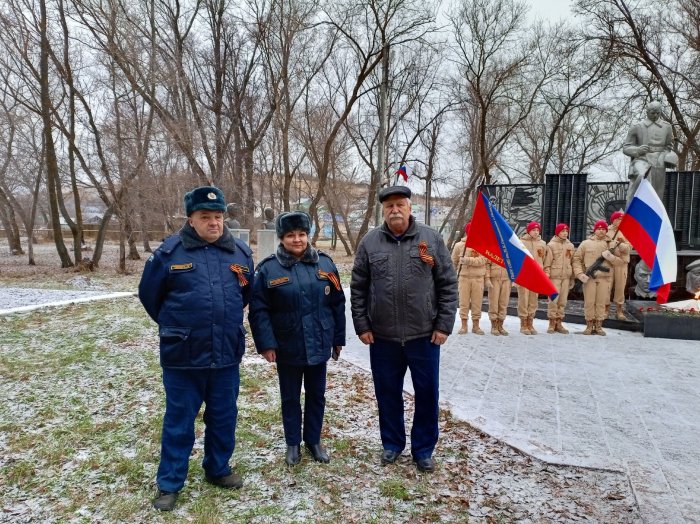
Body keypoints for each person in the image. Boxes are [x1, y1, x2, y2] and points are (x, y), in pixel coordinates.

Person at [139, 186, 254, 511]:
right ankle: (170, 483)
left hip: (225, 355)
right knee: (179, 420)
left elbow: (246, 293)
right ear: (191, 219)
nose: (214, 223)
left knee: (223, 417)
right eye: (206, 217)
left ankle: (217, 469)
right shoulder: (168, 254)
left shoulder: (240, 254)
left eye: (218, 217)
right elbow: (150, 296)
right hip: (183, 357)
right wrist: (179, 326)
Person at [350, 186, 457, 473]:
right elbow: (358, 288)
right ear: (382, 211)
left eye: (400, 205)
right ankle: (392, 444)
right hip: (382, 337)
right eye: (389, 207)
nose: (395, 210)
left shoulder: (431, 240)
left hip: (424, 336)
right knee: (387, 392)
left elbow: (447, 284)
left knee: (426, 394)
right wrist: (362, 324)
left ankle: (423, 450)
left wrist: (443, 325)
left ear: (410, 208)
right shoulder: (370, 243)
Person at [248, 211, 345, 466]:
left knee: (317, 395)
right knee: (290, 397)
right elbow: (259, 310)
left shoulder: (325, 265)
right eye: (291, 235)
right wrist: (266, 344)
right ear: (282, 238)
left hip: (319, 342)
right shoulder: (268, 269)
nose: (297, 240)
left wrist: (338, 339)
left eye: (301, 234)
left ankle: (313, 440)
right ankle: (293, 442)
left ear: (308, 235)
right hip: (287, 345)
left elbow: (337, 303)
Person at [573, 220, 624, 336]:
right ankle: (589, 325)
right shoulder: (585, 243)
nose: (601, 231)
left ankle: (599, 326)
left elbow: (621, 262)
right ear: (594, 230)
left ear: (606, 231)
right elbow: (576, 259)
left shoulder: (611, 244)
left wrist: (611, 257)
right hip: (589, 278)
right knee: (589, 302)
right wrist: (580, 274)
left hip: (605, 278)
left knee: (601, 302)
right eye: (599, 229)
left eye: (603, 229)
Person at [623, 100, 677, 205]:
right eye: (653, 113)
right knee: (641, 175)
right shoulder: (637, 127)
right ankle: (633, 207)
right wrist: (638, 150)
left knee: (657, 191)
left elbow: (668, 146)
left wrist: (667, 156)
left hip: (659, 160)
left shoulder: (667, 127)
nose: (655, 115)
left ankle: (653, 214)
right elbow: (626, 148)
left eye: (658, 113)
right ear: (647, 112)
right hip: (642, 158)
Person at [451, 222, 488, 335]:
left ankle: (476, 325)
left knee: (477, 303)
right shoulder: (459, 245)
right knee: (464, 302)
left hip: (478, 278)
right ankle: (464, 325)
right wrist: (454, 275)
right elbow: (453, 262)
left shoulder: (482, 244)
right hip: (464, 277)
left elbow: (483, 260)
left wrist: (467, 260)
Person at [543, 223, 575, 334]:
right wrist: (547, 274)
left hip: (566, 277)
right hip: (554, 277)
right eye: (562, 231)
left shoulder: (570, 246)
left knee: (562, 301)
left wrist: (572, 278)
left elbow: (572, 262)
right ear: (557, 233)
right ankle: (552, 323)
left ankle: (559, 323)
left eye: (566, 232)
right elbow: (547, 263)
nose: (565, 233)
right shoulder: (551, 245)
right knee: (553, 300)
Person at [517, 221, 547, 335]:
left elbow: (545, 259)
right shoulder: (521, 242)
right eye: (533, 230)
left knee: (533, 300)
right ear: (528, 231)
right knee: (523, 299)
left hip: (537, 275)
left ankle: (530, 322)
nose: (536, 232)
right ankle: (523, 323)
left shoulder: (543, 243)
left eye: (537, 230)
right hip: (524, 275)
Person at [606, 211, 632, 320]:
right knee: (607, 287)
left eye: (621, 219)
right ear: (613, 220)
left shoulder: (627, 231)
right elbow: (603, 245)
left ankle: (619, 310)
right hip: (609, 262)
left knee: (620, 287)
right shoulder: (606, 230)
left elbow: (628, 248)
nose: (619, 221)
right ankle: (605, 309)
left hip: (622, 262)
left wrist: (617, 243)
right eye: (617, 219)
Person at [486, 257, 512, 336]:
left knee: (504, 302)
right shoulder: (493, 249)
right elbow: (487, 265)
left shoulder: (509, 249)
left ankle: (500, 325)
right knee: (493, 302)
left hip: (507, 278)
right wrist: (487, 278)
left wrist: (515, 279)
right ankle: (494, 325)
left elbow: (514, 264)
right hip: (494, 278)